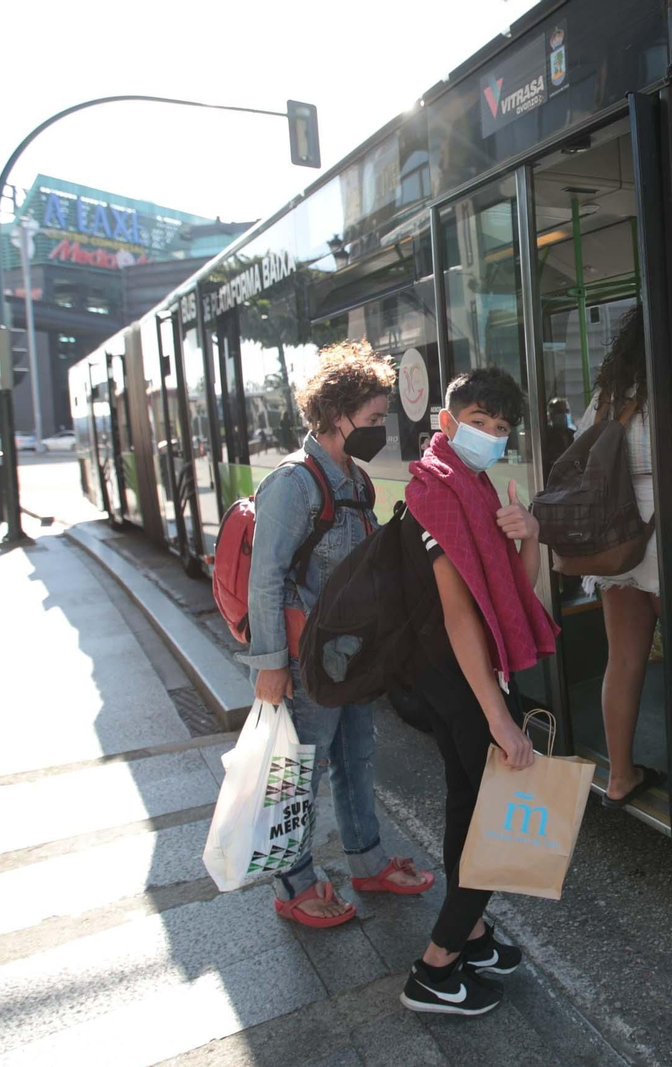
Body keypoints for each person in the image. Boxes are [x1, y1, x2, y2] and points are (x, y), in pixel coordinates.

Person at [239, 341, 433, 928]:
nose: (379, 430)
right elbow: (265, 581)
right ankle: (292, 882)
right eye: (372, 419)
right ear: (334, 416)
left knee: (357, 757)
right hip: (303, 661)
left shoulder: (355, 478)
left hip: (348, 657)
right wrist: (269, 665)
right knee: (300, 768)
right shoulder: (292, 485)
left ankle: (366, 859)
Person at [397, 365, 560, 1017]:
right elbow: (462, 614)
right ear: (447, 422)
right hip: (458, 679)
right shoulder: (434, 492)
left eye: (501, 429)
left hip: (459, 675)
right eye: (479, 423)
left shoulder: (472, 483)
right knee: (501, 819)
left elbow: (508, 592)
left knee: (470, 802)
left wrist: (529, 537)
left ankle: (471, 933)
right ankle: (434, 969)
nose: (490, 436)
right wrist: (501, 718)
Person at [575, 307, 665, 809]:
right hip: (666, 535)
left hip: (615, 539)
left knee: (625, 660)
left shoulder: (608, 398)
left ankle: (621, 776)